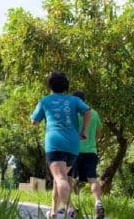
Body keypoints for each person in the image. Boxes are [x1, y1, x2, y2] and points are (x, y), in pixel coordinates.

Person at [31, 72, 91, 219]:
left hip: (55, 143)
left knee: (60, 179)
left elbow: (34, 121)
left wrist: (37, 118)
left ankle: (70, 210)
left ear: (50, 86)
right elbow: (87, 111)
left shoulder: (45, 101)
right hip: (73, 145)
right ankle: (52, 212)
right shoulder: (73, 100)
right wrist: (83, 131)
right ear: (66, 86)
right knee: (61, 177)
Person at [65, 91, 104, 219]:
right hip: (91, 151)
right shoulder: (94, 113)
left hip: (73, 151)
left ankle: (69, 208)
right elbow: (99, 133)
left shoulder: (72, 114)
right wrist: (92, 142)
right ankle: (98, 203)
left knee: (67, 178)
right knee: (92, 178)